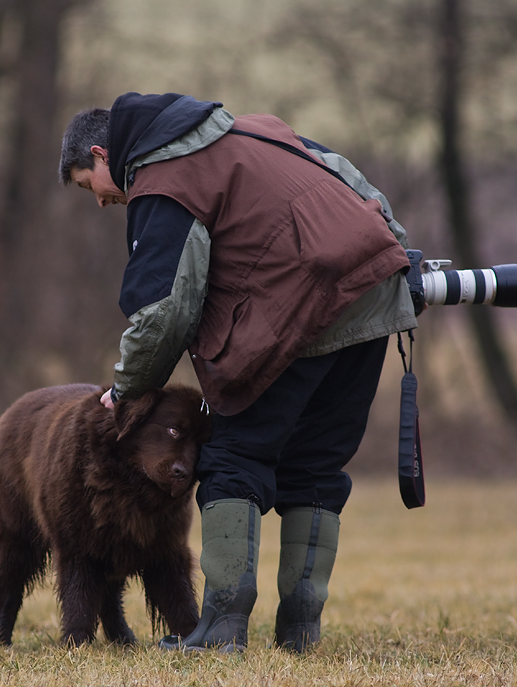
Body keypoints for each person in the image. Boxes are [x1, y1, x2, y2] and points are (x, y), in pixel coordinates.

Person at [59, 93, 418, 653]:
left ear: (104, 154)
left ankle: (222, 628)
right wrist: (398, 266)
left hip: (302, 312)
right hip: (371, 298)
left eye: (90, 186)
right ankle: (300, 630)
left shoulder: (161, 177)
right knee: (317, 466)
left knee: (233, 460)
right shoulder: (259, 132)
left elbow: (163, 311)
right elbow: (359, 189)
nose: (102, 201)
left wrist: (125, 389)